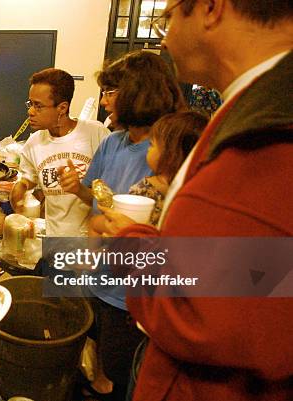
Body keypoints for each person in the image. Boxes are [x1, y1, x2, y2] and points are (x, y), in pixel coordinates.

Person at [97, 1, 293, 401]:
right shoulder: (247, 106)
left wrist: (130, 241)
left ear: (209, 8)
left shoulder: (269, 133)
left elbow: (215, 311)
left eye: (167, 17)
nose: (164, 38)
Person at [58, 50, 186, 400]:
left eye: (111, 91)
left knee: (124, 370)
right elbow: (97, 199)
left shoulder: (168, 153)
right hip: (96, 274)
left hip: (130, 294)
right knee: (97, 350)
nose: (103, 100)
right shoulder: (113, 143)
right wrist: (77, 189)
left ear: (138, 93)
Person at [10, 68, 110, 236]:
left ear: (62, 108)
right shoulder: (34, 143)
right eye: (30, 104)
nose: (30, 111)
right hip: (55, 241)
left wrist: (79, 189)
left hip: (93, 243)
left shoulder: (96, 134)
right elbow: (29, 179)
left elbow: (110, 201)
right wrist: (20, 188)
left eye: (38, 106)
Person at [89, 111, 206, 234]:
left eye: (151, 145)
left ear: (170, 154)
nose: (147, 150)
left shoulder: (144, 190)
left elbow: (112, 227)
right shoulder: (198, 193)